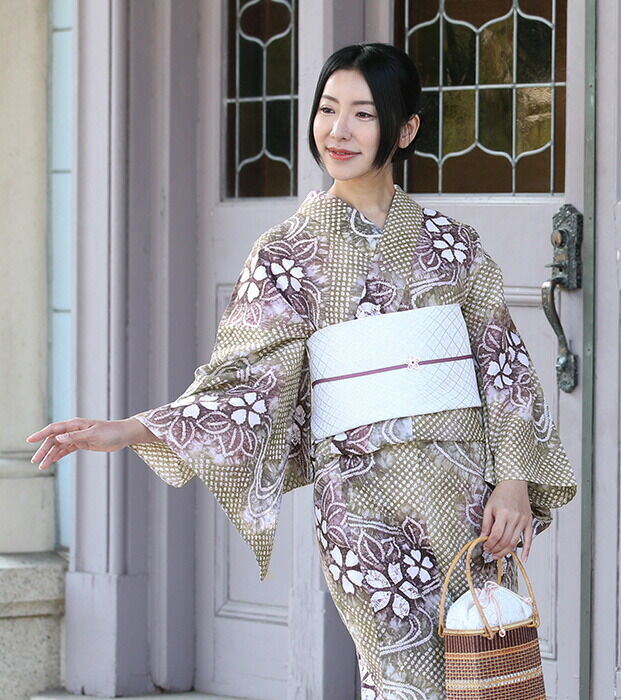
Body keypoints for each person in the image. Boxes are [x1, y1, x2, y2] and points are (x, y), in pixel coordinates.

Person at [27, 42, 576, 700]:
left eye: (363, 114)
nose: (337, 130)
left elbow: (504, 367)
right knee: (406, 682)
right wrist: (132, 429)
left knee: (485, 675)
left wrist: (513, 483)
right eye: (327, 109)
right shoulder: (287, 253)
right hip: (362, 506)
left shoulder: (453, 245)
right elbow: (243, 386)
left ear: (405, 130)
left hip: (468, 499)